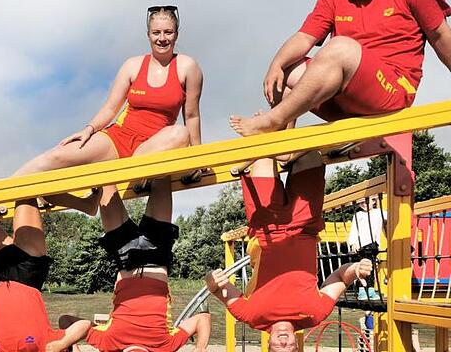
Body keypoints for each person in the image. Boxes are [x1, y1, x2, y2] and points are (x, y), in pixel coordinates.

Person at [230, 0, 451, 136]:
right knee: (288, 67)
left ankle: (273, 121)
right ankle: (284, 142)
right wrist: (276, 64)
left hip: (391, 92)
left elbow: (440, 36)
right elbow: (304, 38)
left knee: (341, 48)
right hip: (346, 99)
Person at [11, 6, 203, 214]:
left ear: (176, 34)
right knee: (57, 157)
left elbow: (191, 115)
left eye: (168, 32)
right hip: (119, 138)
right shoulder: (133, 65)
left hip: (154, 144)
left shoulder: (187, 67)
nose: (162, 38)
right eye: (156, 32)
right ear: (148, 35)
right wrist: (89, 129)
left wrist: (198, 157)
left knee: (181, 133)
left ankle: (138, 173)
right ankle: (1, 192)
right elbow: (111, 107)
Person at [206, 150, 373, 352]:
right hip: (306, 225)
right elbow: (340, 277)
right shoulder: (315, 315)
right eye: (289, 348)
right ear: (296, 345)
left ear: (268, 344)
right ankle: (285, 139)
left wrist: (213, 279)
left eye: (278, 348)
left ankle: (268, 129)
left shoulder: (251, 316)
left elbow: (215, 288)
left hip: (268, 227)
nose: (284, 342)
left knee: (263, 151)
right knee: (310, 154)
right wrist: (355, 270)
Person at [59, 179, 211, 352]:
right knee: (161, 175)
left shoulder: (108, 343)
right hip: (157, 254)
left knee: (106, 180)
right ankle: (147, 179)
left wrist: (69, 346)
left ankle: (139, 178)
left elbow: (66, 320)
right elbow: (203, 318)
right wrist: (200, 349)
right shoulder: (165, 347)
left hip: (125, 256)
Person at [0, 199, 91, 352]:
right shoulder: (45, 348)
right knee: (24, 186)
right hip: (28, 266)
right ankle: (88, 205)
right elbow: (85, 325)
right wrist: (60, 345)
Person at [347, 196, 386, 300]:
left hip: (373, 244)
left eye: (367, 202)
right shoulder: (358, 215)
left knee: (371, 268)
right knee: (363, 268)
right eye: (361, 202)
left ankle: (370, 290)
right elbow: (354, 230)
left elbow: (393, 216)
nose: (364, 204)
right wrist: (353, 243)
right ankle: (363, 291)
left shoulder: (379, 212)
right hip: (361, 245)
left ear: (374, 201)